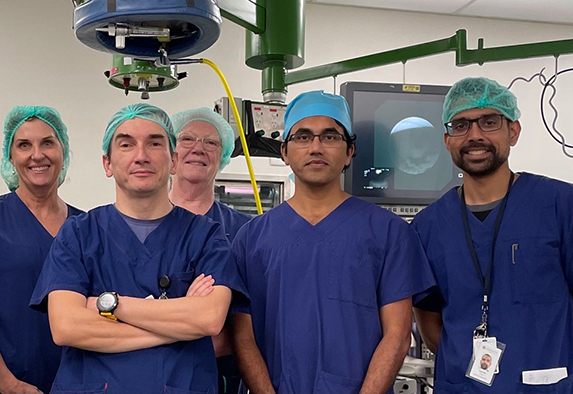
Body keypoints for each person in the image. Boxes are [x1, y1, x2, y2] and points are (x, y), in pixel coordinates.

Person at [29, 103, 248, 393]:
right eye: (126, 144)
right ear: (107, 163)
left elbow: (208, 319)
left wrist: (110, 304)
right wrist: (176, 323)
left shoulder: (207, 236)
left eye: (154, 143)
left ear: (173, 159)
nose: (141, 156)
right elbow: (67, 327)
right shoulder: (78, 234)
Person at [231, 91, 435, 394]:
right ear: (284, 152)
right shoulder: (251, 239)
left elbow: (398, 334)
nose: (316, 147)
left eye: (330, 136)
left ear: (350, 151)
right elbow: (242, 338)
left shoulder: (388, 232)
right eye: (302, 137)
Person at [412, 77, 573, 393]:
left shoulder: (560, 206)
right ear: (447, 140)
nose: (475, 135)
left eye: (489, 122)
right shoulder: (427, 227)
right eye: (461, 125)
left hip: (546, 384)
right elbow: (429, 321)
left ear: (513, 131)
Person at [0, 106, 84, 394]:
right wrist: (7, 383)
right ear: (10, 157)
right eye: (24, 145)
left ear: (64, 151)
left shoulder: (86, 227)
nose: (37, 154)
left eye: (47, 142)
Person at [169, 107, 251, 393]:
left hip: (221, 376)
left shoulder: (245, 231)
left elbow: (249, 319)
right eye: (187, 139)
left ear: (223, 155)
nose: (198, 149)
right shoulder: (142, 223)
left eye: (211, 143)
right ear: (171, 153)